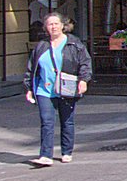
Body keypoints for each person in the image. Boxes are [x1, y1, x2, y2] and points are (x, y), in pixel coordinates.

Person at [24, 13, 92, 167]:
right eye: (50, 24)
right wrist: (28, 87)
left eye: (56, 23)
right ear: (45, 27)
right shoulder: (41, 46)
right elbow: (31, 68)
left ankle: (66, 151)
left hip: (66, 88)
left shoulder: (74, 44)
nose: (53, 27)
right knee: (46, 121)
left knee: (67, 121)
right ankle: (45, 155)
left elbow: (85, 63)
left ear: (63, 25)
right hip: (44, 90)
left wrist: (84, 80)